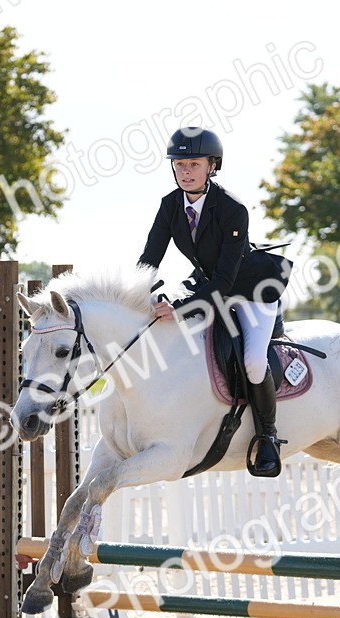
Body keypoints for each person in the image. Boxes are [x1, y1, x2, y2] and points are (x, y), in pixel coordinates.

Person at [138, 127, 292, 477]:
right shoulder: (170, 205)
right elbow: (149, 258)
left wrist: (178, 308)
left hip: (251, 289)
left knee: (253, 361)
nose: (185, 171)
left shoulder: (232, 207)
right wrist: (139, 293)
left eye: (193, 163)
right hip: (209, 286)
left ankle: (268, 437)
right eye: (179, 164)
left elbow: (225, 281)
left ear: (212, 166)